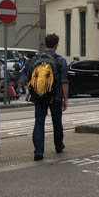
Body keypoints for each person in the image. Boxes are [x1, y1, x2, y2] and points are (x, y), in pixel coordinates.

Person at [26, 33, 70, 161]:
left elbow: (29, 79)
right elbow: (64, 81)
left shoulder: (35, 60)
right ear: (56, 45)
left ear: (45, 44)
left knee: (39, 122)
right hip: (55, 96)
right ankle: (58, 146)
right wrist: (65, 98)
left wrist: (34, 93)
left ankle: (38, 151)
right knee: (57, 122)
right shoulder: (60, 60)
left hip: (39, 96)